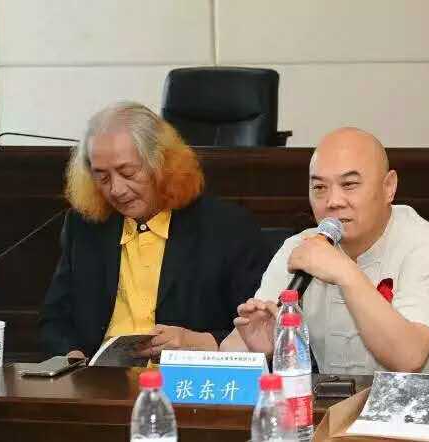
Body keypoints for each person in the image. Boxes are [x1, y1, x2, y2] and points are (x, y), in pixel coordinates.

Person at [220, 128, 429, 375]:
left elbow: (409, 358)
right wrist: (256, 348)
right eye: (320, 188)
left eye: (349, 184)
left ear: (388, 187)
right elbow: (232, 348)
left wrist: (344, 272)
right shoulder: (301, 248)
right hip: (339, 400)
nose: (333, 202)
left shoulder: (423, 245)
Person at [40, 101, 270, 360]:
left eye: (128, 172)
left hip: (185, 377)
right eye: (102, 177)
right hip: (99, 378)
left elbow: (259, 331)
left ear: (161, 162)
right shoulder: (84, 226)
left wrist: (198, 342)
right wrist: (72, 357)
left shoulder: (228, 228)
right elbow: (55, 320)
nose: (116, 189)